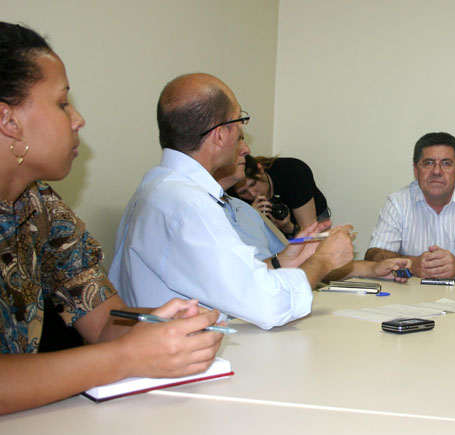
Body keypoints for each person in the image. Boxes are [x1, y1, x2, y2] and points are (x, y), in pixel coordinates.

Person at [0, 22, 222, 415]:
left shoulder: (40, 207)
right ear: (9, 121)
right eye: (62, 102)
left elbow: (103, 322)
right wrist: (124, 358)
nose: (78, 119)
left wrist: (159, 323)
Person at [109, 73, 355, 330]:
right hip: (188, 359)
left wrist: (286, 261)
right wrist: (325, 260)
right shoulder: (188, 205)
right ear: (219, 135)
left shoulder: (156, 188)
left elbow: (229, 280)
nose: (244, 144)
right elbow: (268, 306)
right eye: (240, 122)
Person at [213, 156, 413, 280]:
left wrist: (371, 269)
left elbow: (300, 261)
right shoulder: (207, 214)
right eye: (238, 139)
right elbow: (257, 276)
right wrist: (324, 258)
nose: (246, 148)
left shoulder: (246, 211)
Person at [364, 132, 455, 278]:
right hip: (410, 295)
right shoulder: (397, 203)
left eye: (446, 163)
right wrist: (413, 264)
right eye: (428, 163)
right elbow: (373, 257)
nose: (437, 171)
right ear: (415, 170)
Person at [233, 154, 329, 239]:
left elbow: (310, 235)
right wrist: (252, 217)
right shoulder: (231, 194)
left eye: (253, 184)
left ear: (260, 169)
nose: (253, 194)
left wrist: (289, 228)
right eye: (243, 192)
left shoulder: (292, 172)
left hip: (311, 217)